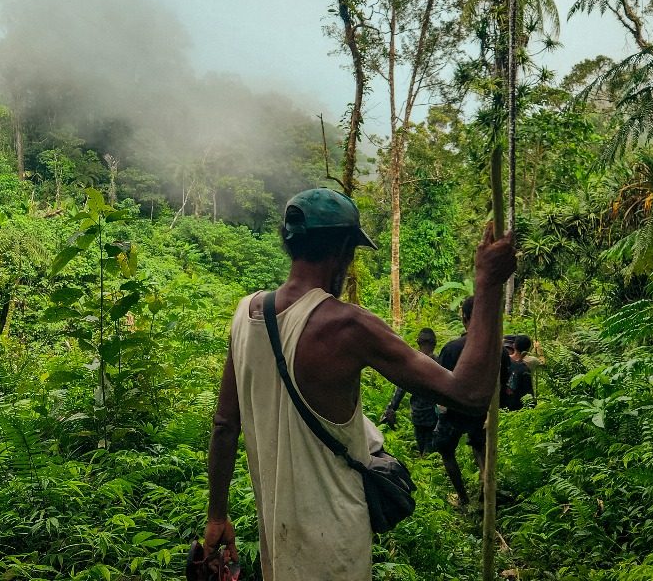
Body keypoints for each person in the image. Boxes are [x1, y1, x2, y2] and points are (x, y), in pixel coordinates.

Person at [201, 189, 516, 580]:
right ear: (342, 251)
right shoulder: (348, 325)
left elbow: (224, 426)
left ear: (290, 243)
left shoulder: (244, 314)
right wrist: (486, 286)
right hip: (335, 549)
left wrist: (217, 515)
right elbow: (469, 394)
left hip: (278, 551)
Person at [431, 297, 511, 506]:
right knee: (481, 450)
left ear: (464, 318)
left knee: (446, 451)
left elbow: (442, 384)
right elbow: (502, 384)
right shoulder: (499, 351)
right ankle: (486, 492)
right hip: (483, 413)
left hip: (454, 414)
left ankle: (463, 498)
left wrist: (443, 408)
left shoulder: (451, 348)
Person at [381, 328, 440, 456]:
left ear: (418, 342)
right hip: (433, 414)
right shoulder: (438, 361)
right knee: (429, 451)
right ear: (434, 343)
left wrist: (391, 408)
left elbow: (401, 389)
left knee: (423, 448)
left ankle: (424, 465)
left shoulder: (413, 362)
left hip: (420, 414)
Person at [501, 334, 535, 410]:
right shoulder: (527, 367)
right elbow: (528, 393)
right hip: (517, 408)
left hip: (501, 405)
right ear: (528, 349)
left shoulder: (503, 361)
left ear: (514, 345)